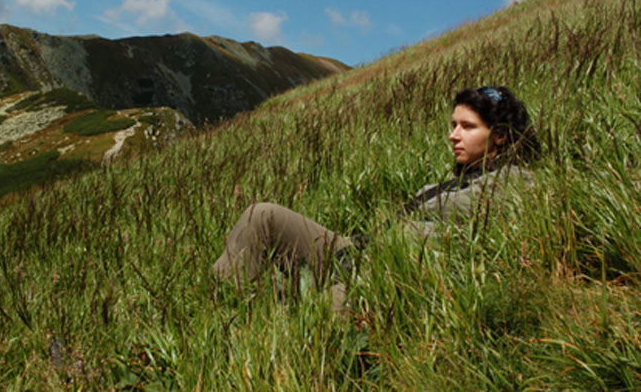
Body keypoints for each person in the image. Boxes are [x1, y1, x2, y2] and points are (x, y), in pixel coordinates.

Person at [212, 86, 541, 310]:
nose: (453, 135)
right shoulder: (450, 183)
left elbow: (463, 241)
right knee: (262, 214)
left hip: (385, 277)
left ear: (499, 136)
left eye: (467, 126)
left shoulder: (518, 182)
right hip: (358, 251)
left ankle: (264, 329)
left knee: (314, 315)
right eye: (453, 124)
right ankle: (228, 305)